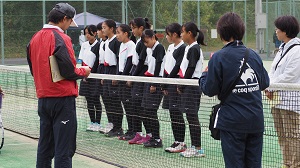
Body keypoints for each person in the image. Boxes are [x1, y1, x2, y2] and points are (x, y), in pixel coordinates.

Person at [200, 12, 269, 167]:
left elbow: (209, 89)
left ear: (221, 33)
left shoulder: (218, 57)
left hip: (232, 123)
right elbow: (264, 83)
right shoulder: (254, 55)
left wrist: (203, 76)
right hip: (255, 121)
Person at [26, 3, 91, 167]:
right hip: (62, 100)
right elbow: (69, 70)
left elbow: (34, 69)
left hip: (43, 99)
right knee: (64, 150)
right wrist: (84, 71)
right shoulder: (61, 38)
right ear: (64, 19)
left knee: (44, 148)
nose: (69, 26)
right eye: (70, 22)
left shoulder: (34, 38)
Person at [266, 15, 300, 168]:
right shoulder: (281, 48)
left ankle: (295, 164)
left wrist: (271, 86)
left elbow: (290, 75)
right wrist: (268, 86)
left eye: (278, 29)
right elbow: (273, 72)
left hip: (291, 103)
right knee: (282, 136)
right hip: (277, 101)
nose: (276, 31)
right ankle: (287, 163)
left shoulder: (297, 50)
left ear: (285, 31)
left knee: (293, 136)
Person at [176, 22, 205, 158]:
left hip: (192, 86)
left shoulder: (194, 48)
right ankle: (194, 146)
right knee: (190, 116)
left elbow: (191, 68)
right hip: (188, 85)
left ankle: (197, 148)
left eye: (183, 32)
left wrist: (182, 84)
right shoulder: (190, 48)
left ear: (189, 33)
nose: (181, 34)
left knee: (192, 117)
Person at [162, 23, 187, 153]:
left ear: (175, 35)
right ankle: (177, 141)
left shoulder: (183, 47)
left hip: (176, 83)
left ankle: (181, 142)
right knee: (172, 113)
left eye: (168, 34)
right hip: (169, 83)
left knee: (177, 113)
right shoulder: (170, 47)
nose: (166, 36)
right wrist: (164, 83)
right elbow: (167, 65)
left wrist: (168, 81)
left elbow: (177, 66)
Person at [127, 17, 151, 145]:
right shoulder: (138, 42)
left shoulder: (143, 42)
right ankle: (138, 133)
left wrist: (132, 77)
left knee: (142, 107)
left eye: (134, 28)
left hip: (142, 75)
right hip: (136, 73)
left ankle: (149, 135)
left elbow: (141, 62)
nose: (132, 31)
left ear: (141, 28)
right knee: (135, 106)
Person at [140, 29, 165, 148]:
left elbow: (159, 65)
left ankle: (157, 139)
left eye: (147, 41)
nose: (146, 44)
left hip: (156, 82)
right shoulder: (149, 49)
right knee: (145, 111)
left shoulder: (159, 48)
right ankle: (151, 136)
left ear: (153, 37)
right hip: (148, 80)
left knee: (151, 111)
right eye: (144, 42)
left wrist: (154, 83)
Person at [101, 19, 124, 137]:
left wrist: (116, 76)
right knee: (108, 101)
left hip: (114, 72)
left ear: (111, 29)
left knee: (115, 102)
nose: (103, 30)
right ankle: (113, 126)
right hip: (107, 72)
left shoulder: (116, 42)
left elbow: (119, 60)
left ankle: (118, 128)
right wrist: (104, 76)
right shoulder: (106, 42)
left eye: (104, 27)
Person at [115, 24, 137, 141]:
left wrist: (123, 78)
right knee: (126, 106)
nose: (117, 35)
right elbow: (121, 63)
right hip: (122, 79)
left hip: (127, 80)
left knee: (130, 107)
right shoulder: (121, 45)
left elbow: (129, 63)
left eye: (118, 32)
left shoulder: (131, 44)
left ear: (126, 33)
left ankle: (133, 131)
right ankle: (130, 130)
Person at [78, 25, 101, 132]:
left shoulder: (99, 45)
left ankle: (98, 123)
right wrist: (83, 74)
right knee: (89, 101)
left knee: (96, 100)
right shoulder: (84, 45)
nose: (87, 35)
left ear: (95, 33)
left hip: (94, 76)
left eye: (89, 33)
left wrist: (91, 74)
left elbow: (97, 62)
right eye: (85, 33)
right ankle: (92, 122)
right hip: (85, 76)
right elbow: (82, 60)